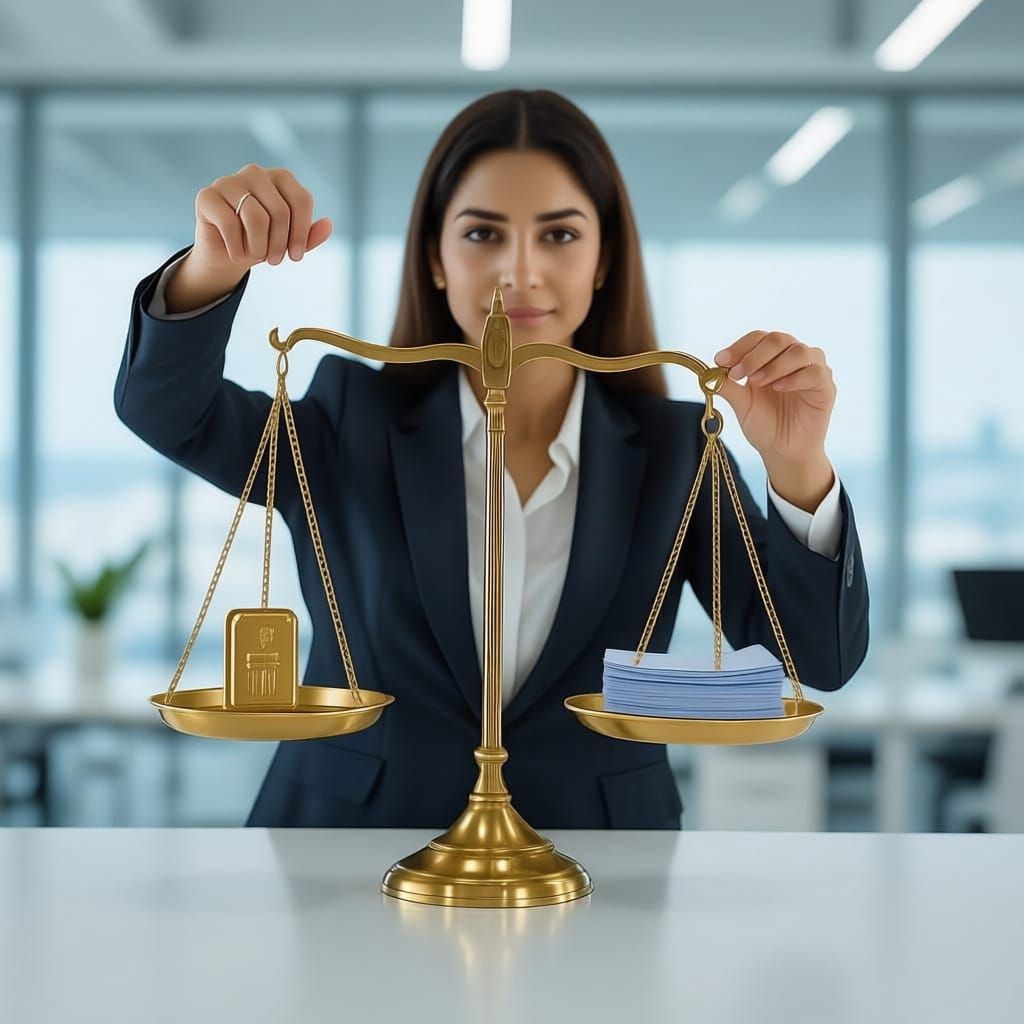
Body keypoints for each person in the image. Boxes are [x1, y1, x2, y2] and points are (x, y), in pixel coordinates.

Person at [114, 89, 869, 830]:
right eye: (482, 234)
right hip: (353, 852)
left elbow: (816, 658)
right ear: (436, 259)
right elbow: (169, 410)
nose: (519, 269)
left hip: (595, 866)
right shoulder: (353, 416)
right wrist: (209, 270)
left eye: (560, 235)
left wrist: (797, 465)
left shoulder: (674, 450)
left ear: (604, 259)